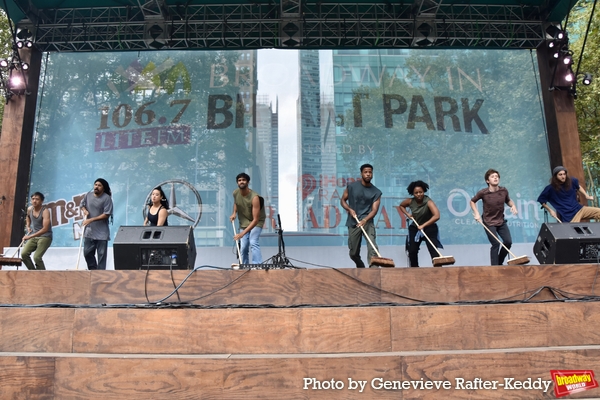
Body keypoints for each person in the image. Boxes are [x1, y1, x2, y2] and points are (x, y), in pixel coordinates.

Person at [470, 169, 518, 265]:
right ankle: (494, 267)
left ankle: (499, 262)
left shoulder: (503, 191)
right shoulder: (483, 192)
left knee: (508, 242)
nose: (495, 177)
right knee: (496, 243)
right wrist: (476, 213)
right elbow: (472, 201)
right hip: (488, 222)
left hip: (501, 221)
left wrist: (513, 206)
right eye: (492, 176)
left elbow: (508, 200)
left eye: (497, 176)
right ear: (488, 181)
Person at [340, 163, 382, 268]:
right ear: (361, 174)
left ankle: (374, 270)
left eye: (370, 172)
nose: (368, 174)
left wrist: (365, 220)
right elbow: (343, 200)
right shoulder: (352, 187)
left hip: (367, 221)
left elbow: (374, 210)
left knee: (373, 247)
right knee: (353, 253)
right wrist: (349, 209)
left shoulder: (376, 192)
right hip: (354, 222)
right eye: (365, 172)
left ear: (372, 174)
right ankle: (361, 266)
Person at [399, 181, 442, 267]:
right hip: (416, 227)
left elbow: (437, 216)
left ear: (424, 192)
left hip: (429, 227)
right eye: (416, 193)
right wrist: (408, 214)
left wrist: (423, 225)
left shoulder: (428, 202)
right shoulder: (410, 201)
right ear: (413, 193)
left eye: (421, 192)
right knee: (412, 250)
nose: (419, 194)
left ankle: (438, 269)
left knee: (433, 249)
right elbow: (401, 206)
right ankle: (415, 270)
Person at [229, 173, 266, 264]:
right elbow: (236, 203)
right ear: (237, 183)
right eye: (239, 180)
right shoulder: (235, 193)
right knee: (244, 246)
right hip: (244, 221)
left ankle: (257, 265)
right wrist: (234, 213)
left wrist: (241, 234)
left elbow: (255, 220)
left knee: (253, 241)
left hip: (256, 222)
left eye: (243, 180)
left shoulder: (255, 198)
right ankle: (244, 266)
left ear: (248, 182)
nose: (241, 182)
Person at [81, 178, 114, 270]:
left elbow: (106, 214)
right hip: (89, 231)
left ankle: (100, 275)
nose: (96, 187)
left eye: (99, 185)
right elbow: (82, 205)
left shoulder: (107, 198)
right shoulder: (88, 195)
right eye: (95, 185)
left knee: (101, 257)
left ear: (103, 188)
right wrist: (85, 210)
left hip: (102, 233)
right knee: (87, 253)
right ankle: (93, 271)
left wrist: (91, 219)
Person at [21, 192, 53, 270]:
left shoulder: (45, 211)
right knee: (24, 254)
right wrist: (28, 226)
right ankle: (33, 272)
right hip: (34, 235)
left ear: (41, 201)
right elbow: (28, 217)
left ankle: (42, 275)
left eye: (37, 199)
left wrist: (29, 236)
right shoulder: (29, 209)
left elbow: (45, 229)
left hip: (45, 237)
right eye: (33, 199)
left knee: (37, 257)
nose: (34, 201)